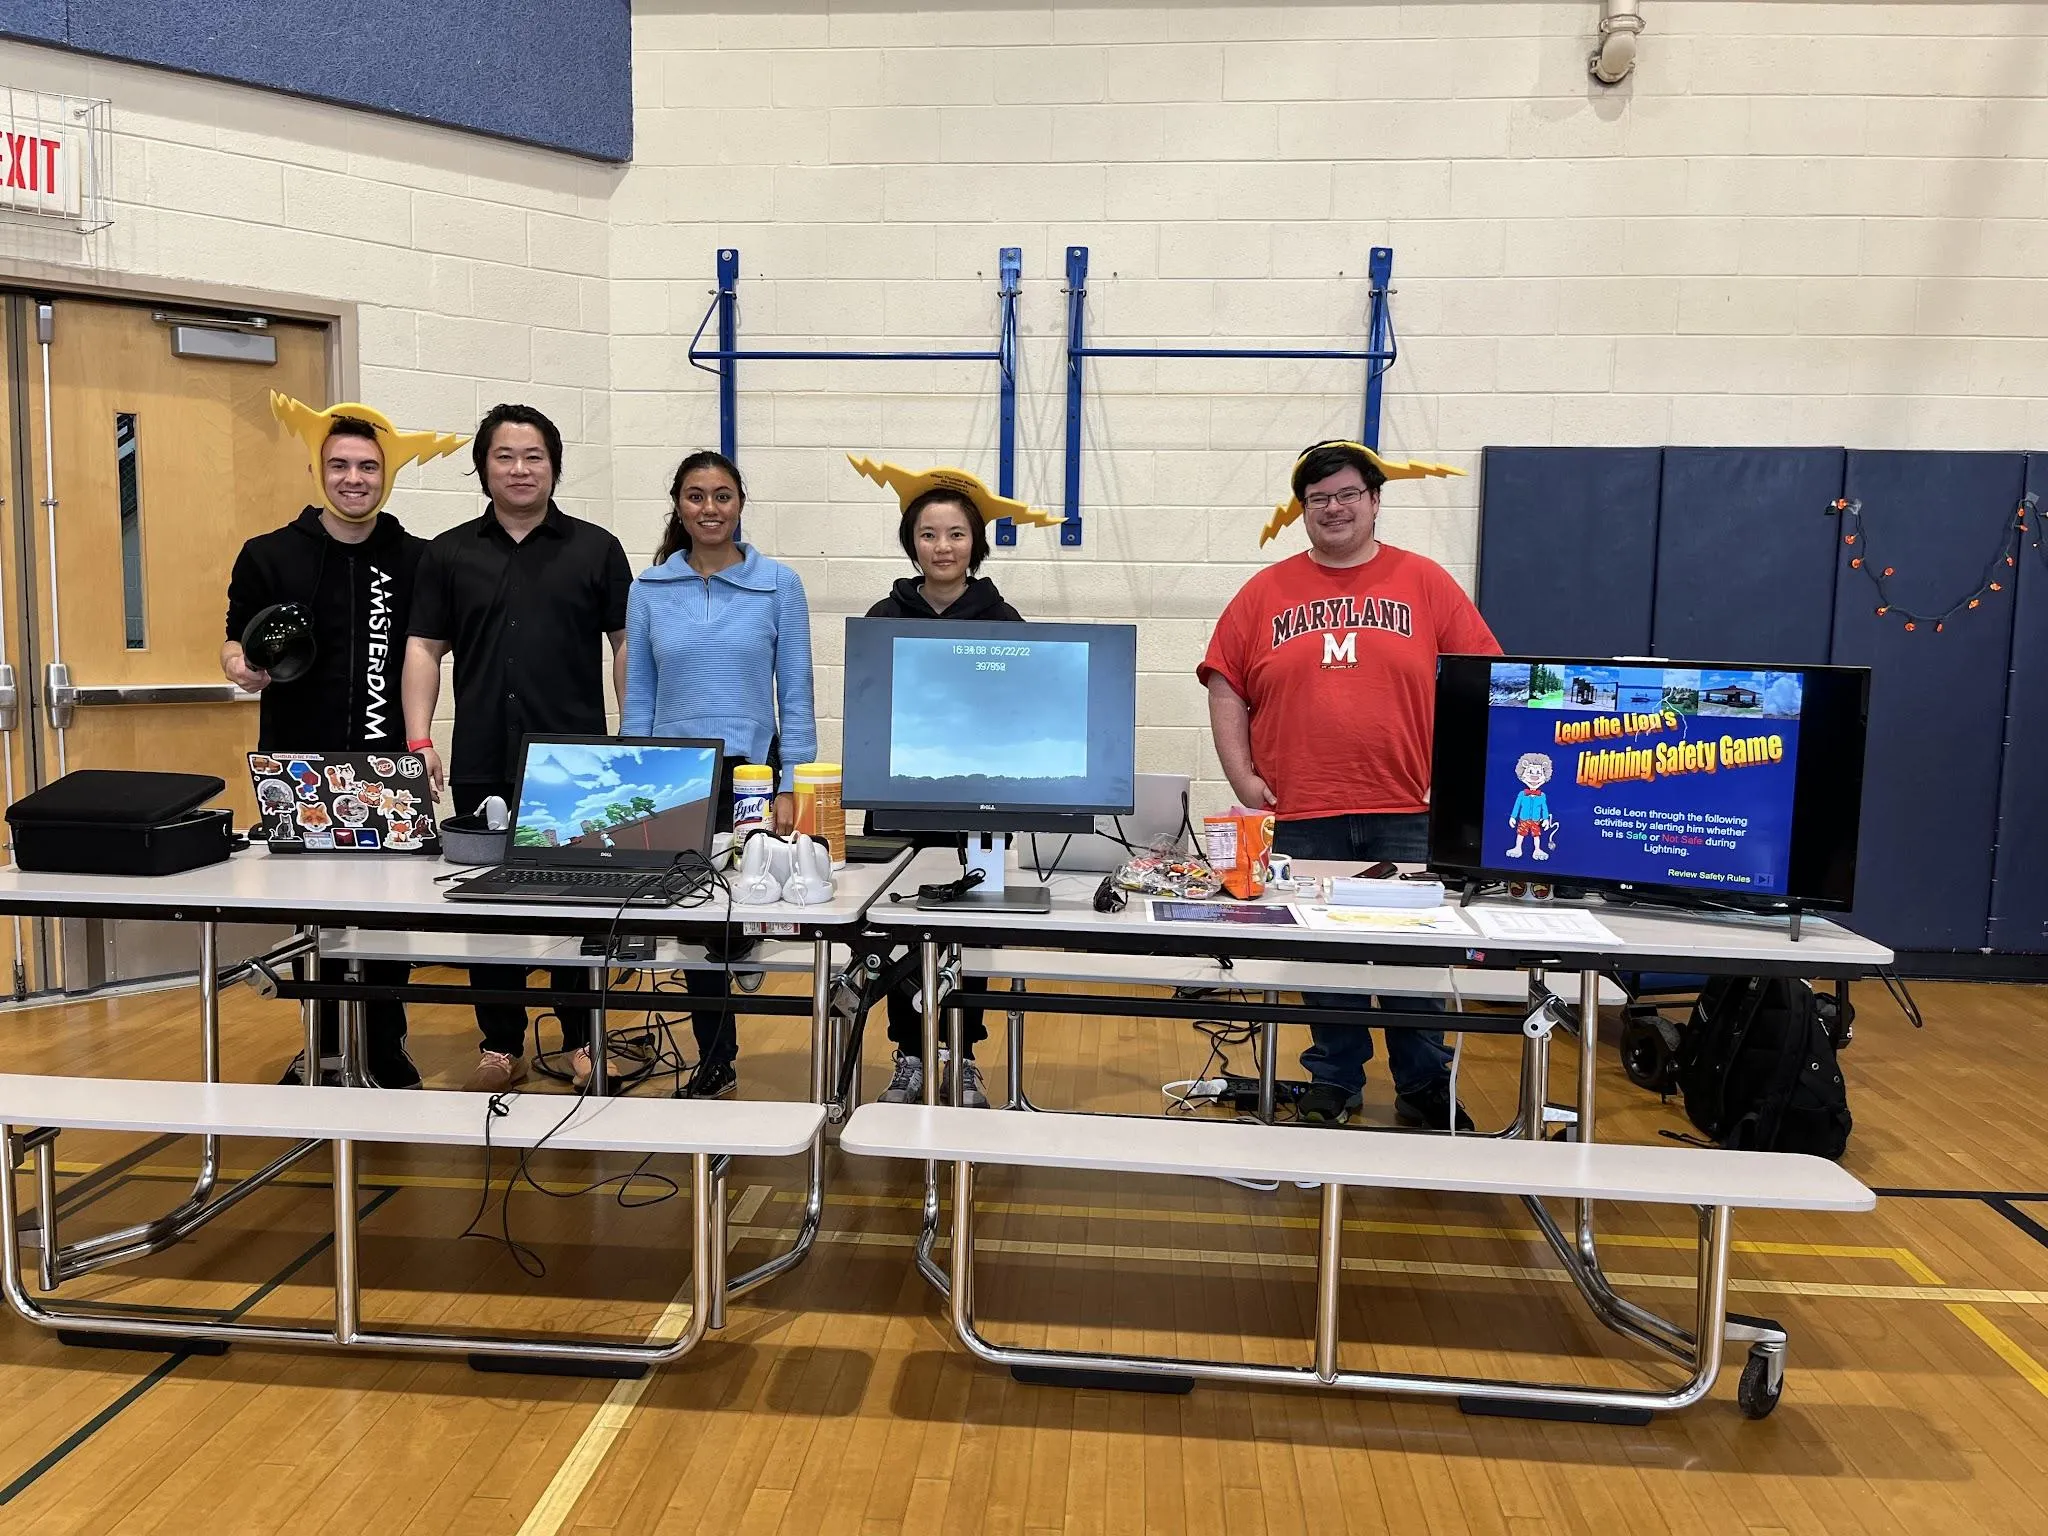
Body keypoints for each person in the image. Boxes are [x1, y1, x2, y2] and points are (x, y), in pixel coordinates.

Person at [1199, 439, 1502, 1128]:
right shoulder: (1265, 591)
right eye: (1318, 500)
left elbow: (1479, 681)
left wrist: (1463, 781)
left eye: (1346, 496)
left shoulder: (1425, 582)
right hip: (1302, 809)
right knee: (1321, 956)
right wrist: (1242, 776)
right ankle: (1333, 1080)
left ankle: (1424, 1086)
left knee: (1412, 962)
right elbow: (1224, 684)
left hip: (1408, 810)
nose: (1333, 509)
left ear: (1373, 502)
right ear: (1302, 510)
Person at [224, 398, 461, 1090]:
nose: (353, 478)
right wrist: (240, 667)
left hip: (389, 765)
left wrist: (420, 740)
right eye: (339, 465)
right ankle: (323, 1046)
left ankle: (383, 1046)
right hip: (296, 766)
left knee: (385, 919)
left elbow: (431, 652)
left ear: (387, 476)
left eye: (367, 466)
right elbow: (236, 642)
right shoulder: (266, 555)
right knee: (317, 920)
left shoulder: (419, 560)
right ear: (316, 468)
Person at [402, 404, 633, 1093]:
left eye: (533, 456)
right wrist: (419, 741)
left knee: (579, 906)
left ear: (554, 466)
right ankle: (501, 1044)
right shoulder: (448, 553)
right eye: (505, 456)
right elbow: (423, 648)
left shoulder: (596, 549)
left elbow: (626, 647)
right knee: (491, 908)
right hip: (481, 757)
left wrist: (631, 734)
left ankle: (580, 1039)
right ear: (483, 467)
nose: (520, 469)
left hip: (577, 766)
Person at [622, 450, 816, 1100]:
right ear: (679, 504)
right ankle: (716, 1059)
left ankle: (748, 945)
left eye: (723, 495)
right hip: (676, 775)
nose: (710, 508)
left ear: (740, 504)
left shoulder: (778, 585)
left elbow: (796, 690)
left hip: (752, 776)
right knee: (696, 926)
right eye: (697, 496)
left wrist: (795, 782)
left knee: (741, 918)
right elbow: (640, 696)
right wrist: (634, 779)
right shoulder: (649, 589)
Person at [862, 481, 1025, 1109]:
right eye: (929, 534)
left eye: (956, 533)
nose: (942, 546)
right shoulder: (884, 617)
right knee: (904, 927)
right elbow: (872, 706)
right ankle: (909, 1052)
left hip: (982, 802)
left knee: (972, 928)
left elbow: (1014, 711)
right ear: (912, 543)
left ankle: (964, 1053)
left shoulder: (1002, 620)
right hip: (903, 798)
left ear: (975, 542)